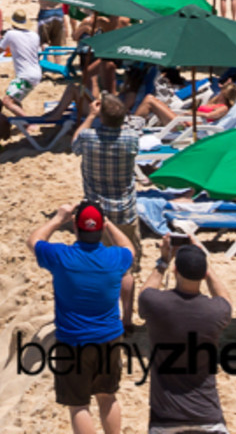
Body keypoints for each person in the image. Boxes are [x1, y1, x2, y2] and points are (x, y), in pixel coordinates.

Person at [29, 202, 134, 434]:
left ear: (76, 229)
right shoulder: (116, 258)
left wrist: (58, 218)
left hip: (73, 341)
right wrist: (108, 224)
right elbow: (129, 247)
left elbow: (34, 240)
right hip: (109, 337)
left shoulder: (61, 256)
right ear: (100, 229)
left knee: (78, 405)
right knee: (108, 397)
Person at [136, 237, 232, 434]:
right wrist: (206, 265)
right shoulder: (216, 311)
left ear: (175, 271)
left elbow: (145, 292)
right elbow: (225, 299)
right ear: (204, 274)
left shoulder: (156, 304)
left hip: (165, 418)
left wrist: (163, 260)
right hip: (207, 415)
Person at [72, 94, 143, 324]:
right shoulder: (131, 139)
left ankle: (101, 314)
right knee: (126, 269)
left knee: (96, 267)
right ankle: (128, 320)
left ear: (101, 116)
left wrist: (90, 116)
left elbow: (74, 144)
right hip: (125, 211)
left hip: (96, 214)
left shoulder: (88, 137)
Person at [0, 11, 43, 116]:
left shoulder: (10, 34)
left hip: (25, 75)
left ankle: (29, 123)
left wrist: (5, 39)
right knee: (15, 100)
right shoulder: (34, 35)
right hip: (37, 73)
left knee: (7, 101)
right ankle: (23, 122)